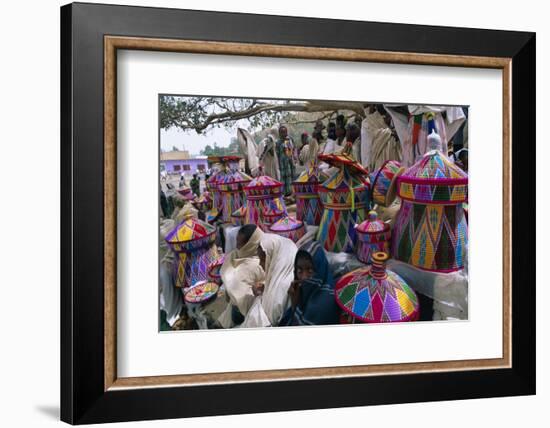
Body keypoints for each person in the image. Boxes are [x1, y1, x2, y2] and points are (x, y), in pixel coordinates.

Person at [240, 230, 298, 327]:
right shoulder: (281, 274)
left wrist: (259, 297)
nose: (260, 264)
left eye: (263, 259)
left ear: (275, 258)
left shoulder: (283, 287)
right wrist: (263, 292)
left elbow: (270, 320)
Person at [279, 241, 340, 326]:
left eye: (310, 271)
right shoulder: (302, 293)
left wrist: (294, 306)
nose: (304, 277)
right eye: (299, 270)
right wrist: (294, 303)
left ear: (320, 269)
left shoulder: (323, 304)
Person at [218, 224, 265, 328]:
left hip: (247, 312)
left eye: (240, 244)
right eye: (237, 242)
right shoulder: (235, 255)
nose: (237, 246)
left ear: (250, 244)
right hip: (236, 307)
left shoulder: (259, 263)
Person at [275, 125, 295, 197]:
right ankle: (283, 195)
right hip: (281, 164)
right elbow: (277, 154)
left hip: (289, 164)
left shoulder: (289, 140)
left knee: (290, 178)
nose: (284, 134)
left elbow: (291, 152)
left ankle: (290, 194)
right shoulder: (277, 142)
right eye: (282, 132)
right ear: (279, 133)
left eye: (285, 132)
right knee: (282, 179)